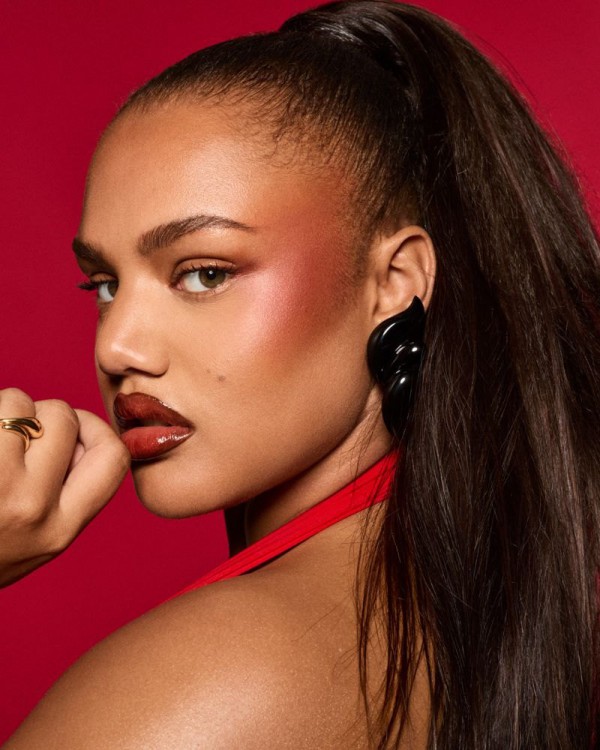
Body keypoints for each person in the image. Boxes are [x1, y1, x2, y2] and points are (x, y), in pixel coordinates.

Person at [1, 0, 598, 747]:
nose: (117, 347)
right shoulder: (474, 620)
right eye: (104, 285)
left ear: (395, 282)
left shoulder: (213, 679)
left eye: (205, 273)